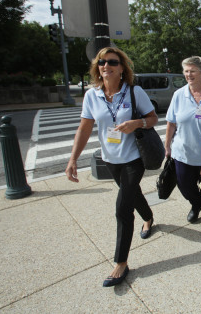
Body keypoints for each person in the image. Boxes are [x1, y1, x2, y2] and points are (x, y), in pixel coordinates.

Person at [65, 47, 158, 287]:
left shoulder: (134, 92)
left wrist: (137, 122)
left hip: (134, 158)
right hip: (110, 159)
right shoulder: (91, 95)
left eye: (112, 62)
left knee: (122, 208)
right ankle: (148, 217)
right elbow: (84, 128)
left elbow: (153, 119)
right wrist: (73, 158)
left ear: (122, 67)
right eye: (101, 62)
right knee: (132, 193)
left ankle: (121, 262)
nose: (106, 66)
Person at [165, 56, 201, 231]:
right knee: (185, 187)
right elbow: (171, 122)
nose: (188, 74)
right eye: (186, 71)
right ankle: (196, 205)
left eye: (192, 71)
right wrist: (167, 146)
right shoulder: (178, 95)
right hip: (183, 153)